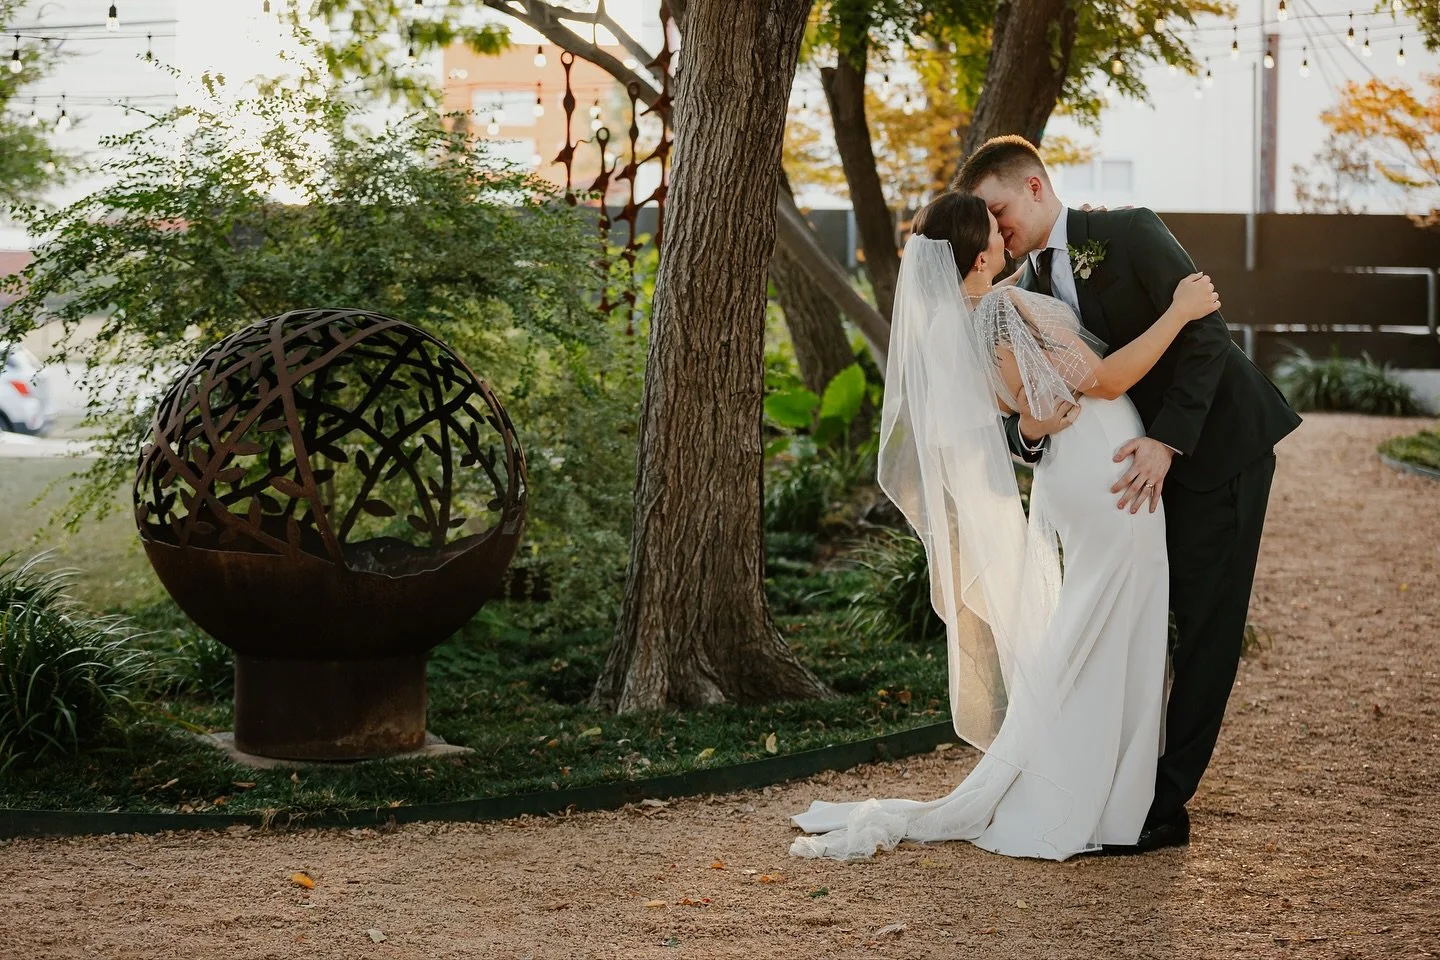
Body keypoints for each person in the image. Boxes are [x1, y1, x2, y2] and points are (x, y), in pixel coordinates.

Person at [788, 191, 1221, 861]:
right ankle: (1098, 798)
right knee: (1113, 625)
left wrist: (1031, 416)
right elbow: (1106, 380)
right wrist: (1179, 312)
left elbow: (1021, 407)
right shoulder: (1004, 309)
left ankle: (1096, 787)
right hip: (1106, 473)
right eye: (995, 230)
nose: (1007, 235)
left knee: (1098, 622)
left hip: (1074, 476)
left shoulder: (957, 321)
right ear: (980, 257)